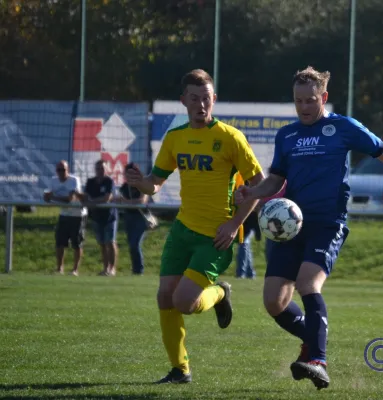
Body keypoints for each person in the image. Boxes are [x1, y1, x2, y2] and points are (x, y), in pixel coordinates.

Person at [234, 66, 383, 390]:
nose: (304, 107)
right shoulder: (287, 135)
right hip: (292, 226)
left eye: (310, 100)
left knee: (308, 284)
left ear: (323, 98)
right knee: (273, 302)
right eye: (298, 101)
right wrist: (254, 192)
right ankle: (311, 339)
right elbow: (277, 178)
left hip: (328, 223)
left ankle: (318, 361)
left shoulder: (343, 128)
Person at [124, 69, 265, 384]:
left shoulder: (230, 138)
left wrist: (234, 224)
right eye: (194, 98)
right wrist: (139, 182)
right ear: (183, 101)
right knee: (164, 296)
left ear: (214, 99)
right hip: (182, 231)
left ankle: (219, 293)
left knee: (184, 302)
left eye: (206, 98)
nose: (201, 105)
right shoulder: (175, 138)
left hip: (216, 236)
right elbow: (155, 185)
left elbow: (259, 186)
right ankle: (180, 369)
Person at [43, 160, 87, 276]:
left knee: (76, 243)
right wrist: (48, 196)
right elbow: (47, 196)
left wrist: (53, 197)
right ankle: (59, 268)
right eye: (59, 170)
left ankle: (75, 270)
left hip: (77, 215)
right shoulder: (53, 180)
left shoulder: (74, 180)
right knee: (60, 242)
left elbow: (70, 199)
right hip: (64, 214)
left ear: (68, 170)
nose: (61, 172)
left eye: (63, 170)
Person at [81, 160, 118, 276]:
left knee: (110, 242)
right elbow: (86, 197)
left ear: (106, 170)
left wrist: (92, 201)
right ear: (95, 170)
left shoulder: (109, 181)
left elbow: (107, 198)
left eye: (102, 169)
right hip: (97, 217)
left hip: (109, 216)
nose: (100, 171)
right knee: (102, 244)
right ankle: (105, 268)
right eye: (98, 169)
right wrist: (91, 201)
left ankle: (112, 268)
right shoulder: (90, 182)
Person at [118, 162, 150, 275]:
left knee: (136, 244)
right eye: (127, 173)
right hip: (129, 217)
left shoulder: (143, 185)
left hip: (141, 218)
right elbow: (119, 200)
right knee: (131, 244)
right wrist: (129, 203)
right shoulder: (124, 187)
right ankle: (135, 270)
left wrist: (127, 202)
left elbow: (142, 201)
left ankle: (139, 270)